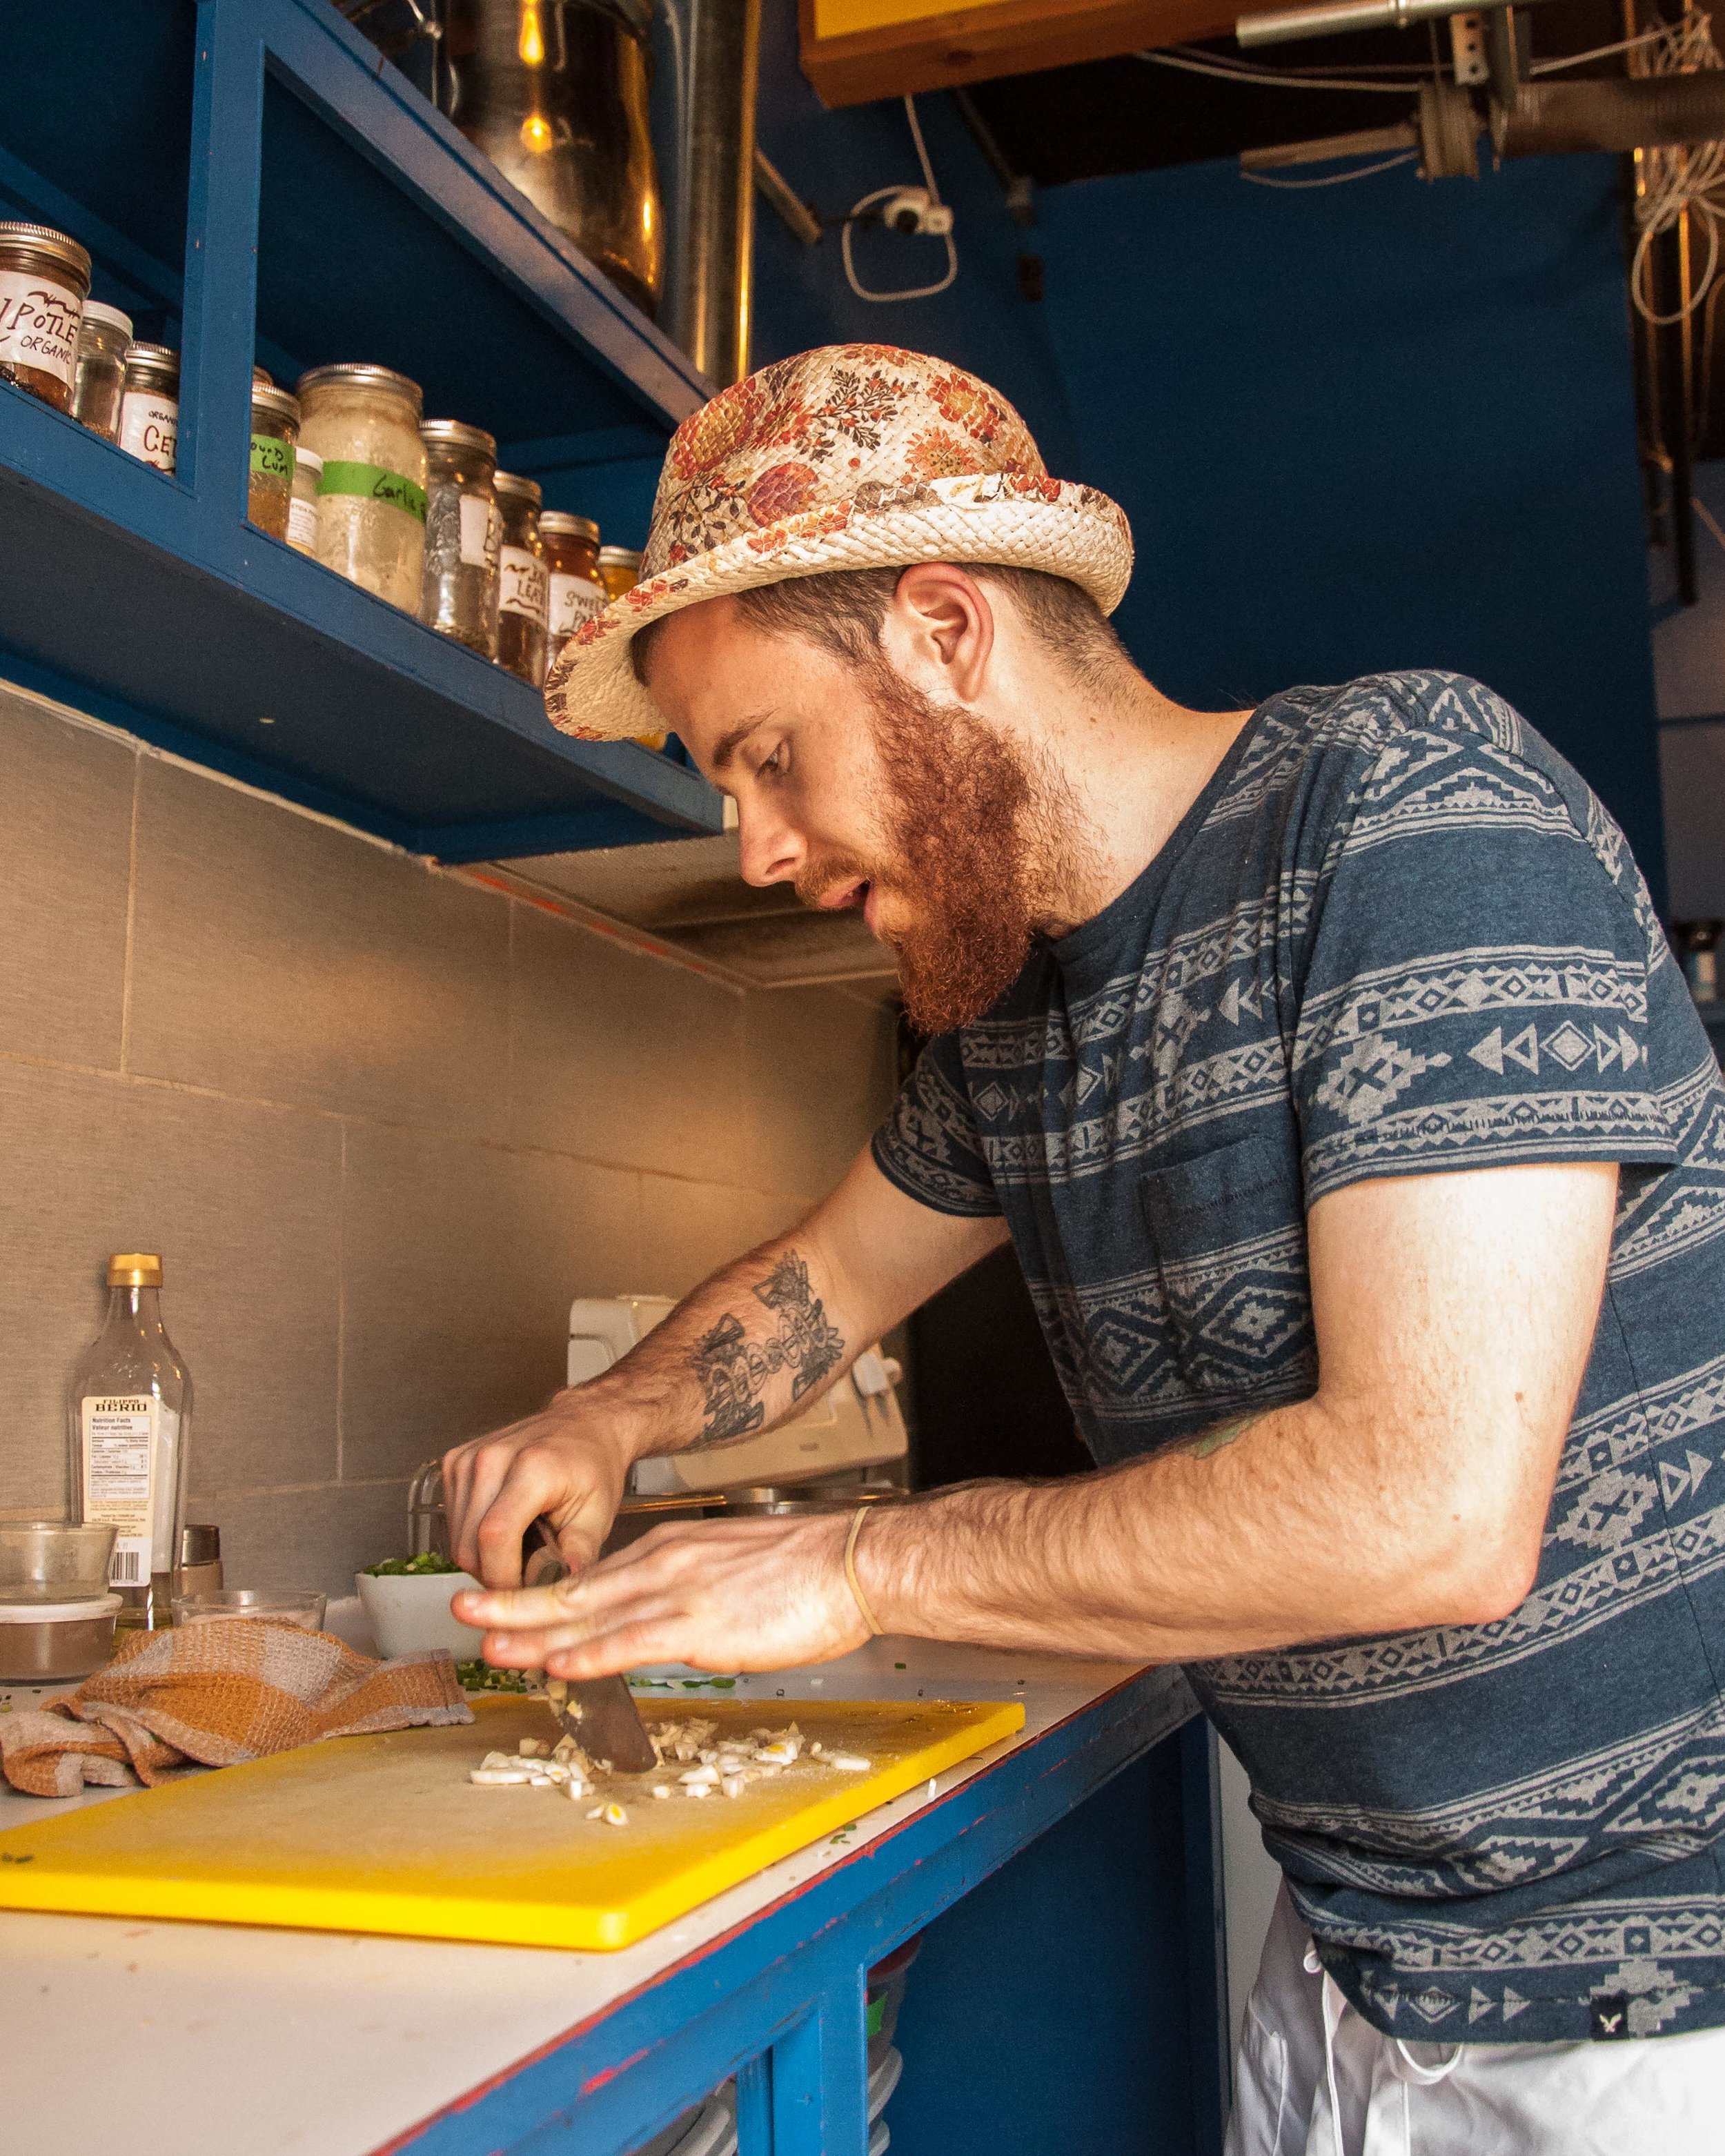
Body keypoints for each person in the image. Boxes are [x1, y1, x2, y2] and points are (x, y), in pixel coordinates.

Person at [442, 344, 1725, 2151]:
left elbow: (1427, 1514)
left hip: (1649, 2020)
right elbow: (820, 1285)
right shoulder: (1014, 1028)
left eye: (768, 758)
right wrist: (615, 1421)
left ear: (946, 634)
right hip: (1360, 1963)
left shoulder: (1403, 812)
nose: (750, 849)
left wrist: (860, 1569)